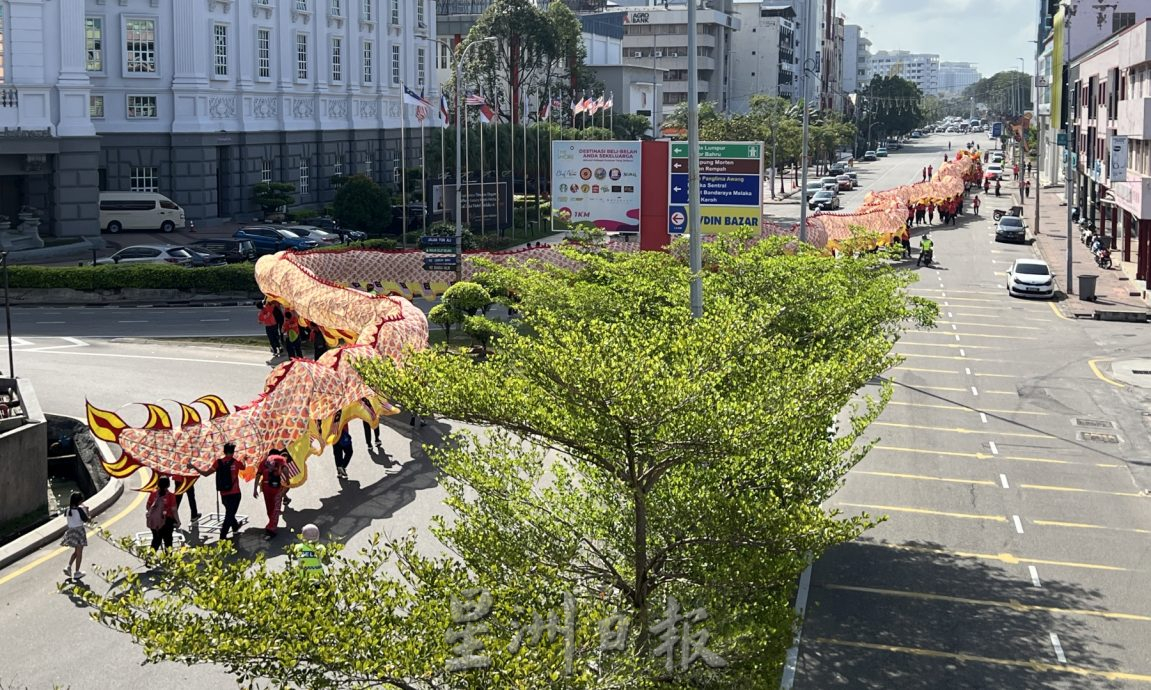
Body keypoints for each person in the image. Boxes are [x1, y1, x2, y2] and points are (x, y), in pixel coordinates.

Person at [186, 442, 244, 540]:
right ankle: (222, 537)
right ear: (233, 452)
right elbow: (244, 467)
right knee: (229, 515)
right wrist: (243, 459)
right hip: (235, 493)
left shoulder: (218, 462)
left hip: (224, 494)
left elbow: (205, 474)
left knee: (230, 513)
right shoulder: (236, 462)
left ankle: (235, 528)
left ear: (224, 451)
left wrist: (193, 467)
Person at [254, 450, 288, 539]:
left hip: (266, 486)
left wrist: (255, 489)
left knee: (269, 507)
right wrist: (287, 480)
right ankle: (272, 528)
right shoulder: (281, 459)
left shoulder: (264, 462)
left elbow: (258, 475)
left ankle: (271, 523)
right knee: (276, 508)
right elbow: (285, 469)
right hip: (276, 487)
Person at [60, 492, 90, 581]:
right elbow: (87, 520)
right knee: (79, 553)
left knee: (76, 551)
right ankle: (77, 572)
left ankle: (68, 567)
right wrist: (87, 511)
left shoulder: (67, 510)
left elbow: (70, 516)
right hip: (79, 532)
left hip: (71, 532)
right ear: (79, 501)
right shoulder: (80, 510)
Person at [146, 477, 180, 551]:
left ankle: (149, 559)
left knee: (156, 541)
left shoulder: (153, 494)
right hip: (167, 522)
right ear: (168, 485)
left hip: (154, 522)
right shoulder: (171, 496)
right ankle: (169, 560)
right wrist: (178, 521)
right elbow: (174, 510)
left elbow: (148, 506)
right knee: (168, 542)